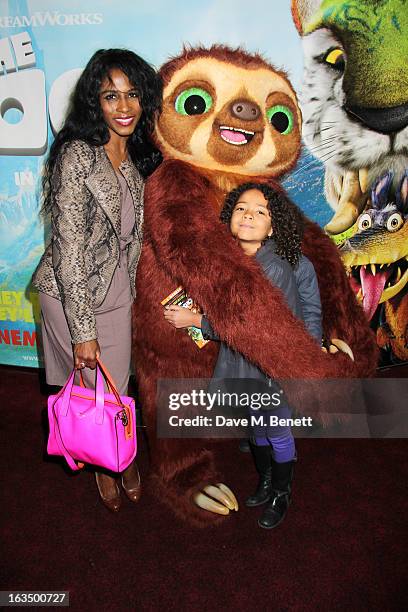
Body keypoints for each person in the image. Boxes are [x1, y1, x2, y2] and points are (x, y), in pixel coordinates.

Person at [33, 48, 162, 512]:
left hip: (116, 294)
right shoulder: (76, 157)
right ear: (96, 102)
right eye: (112, 96)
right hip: (71, 296)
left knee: (117, 385)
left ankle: (120, 457)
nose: (124, 107)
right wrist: (83, 331)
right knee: (89, 391)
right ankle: (103, 465)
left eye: (132, 96)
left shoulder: (135, 161)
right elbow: (67, 249)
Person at [163, 183, 322, 529]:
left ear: (273, 226)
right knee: (257, 428)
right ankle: (266, 480)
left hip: (272, 369)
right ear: (228, 218)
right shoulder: (231, 261)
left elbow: (249, 326)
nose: (249, 213)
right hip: (245, 366)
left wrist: (196, 321)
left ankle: (281, 491)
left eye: (261, 211)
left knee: (276, 431)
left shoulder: (275, 268)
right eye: (241, 208)